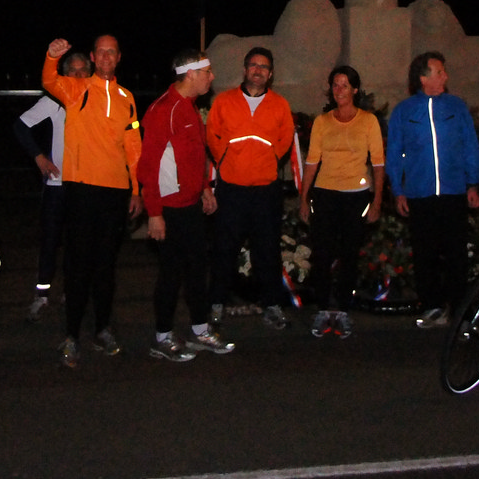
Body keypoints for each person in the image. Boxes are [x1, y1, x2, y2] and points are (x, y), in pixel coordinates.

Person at [42, 35, 142, 366]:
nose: (106, 57)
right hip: (82, 189)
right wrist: (51, 57)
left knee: (106, 264)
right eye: (101, 52)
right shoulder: (78, 88)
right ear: (93, 57)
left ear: (119, 57)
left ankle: (102, 329)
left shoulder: (127, 97)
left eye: (112, 52)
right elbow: (49, 81)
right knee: (77, 263)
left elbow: (134, 146)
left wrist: (136, 189)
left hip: (115, 191)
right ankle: (71, 334)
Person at [137, 49, 234, 362]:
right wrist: (154, 214)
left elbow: (192, 155)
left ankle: (200, 330)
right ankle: (162, 337)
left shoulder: (190, 107)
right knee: (171, 274)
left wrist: (204, 187)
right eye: (207, 72)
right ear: (191, 74)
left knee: (197, 270)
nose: (212, 77)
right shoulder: (163, 110)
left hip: (190, 205)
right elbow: (148, 167)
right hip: (169, 208)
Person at [386, 52, 479, 329]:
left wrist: (473, 183)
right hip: (420, 194)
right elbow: (394, 153)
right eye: (439, 72)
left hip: (454, 192)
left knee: (456, 255)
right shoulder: (404, 111)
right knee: (425, 254)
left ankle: (460, 312)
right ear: (423, 78)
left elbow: (470, 145)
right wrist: (398, 190)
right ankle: (432, 307)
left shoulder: (456, 106)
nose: (445, 76)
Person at [205, 46, 295, 330]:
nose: (258, 70)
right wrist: (226, 159)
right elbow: (212, 135)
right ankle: (216, 303)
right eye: (254, 65)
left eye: (264, 67)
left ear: (271, 74)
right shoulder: (224, 101)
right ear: (245, 70)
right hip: (231, 189)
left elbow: (285, 138)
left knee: (267, 251)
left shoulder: (279, 105)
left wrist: (269, 159)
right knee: (224, 249)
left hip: (265, 191)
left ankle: (272, 306)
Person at [299, 65, 384, 339]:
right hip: (325, 193)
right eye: (335, 85)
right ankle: (323, 308)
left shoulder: (368, 121)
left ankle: (344, 309)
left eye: (344, 85)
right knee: (322, 254)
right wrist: (304, 198)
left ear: (355, 90)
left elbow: (378, 164)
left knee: (349, 255)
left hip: (356, 196)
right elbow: (311, 161)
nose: (339, 90)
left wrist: (377, 201)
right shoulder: (322, 122)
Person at [13, 51, 90, 322]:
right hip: (57, 184)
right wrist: (39, 157)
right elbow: (21, 126)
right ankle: (42, 294)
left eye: (83, 71)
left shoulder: (97, 98)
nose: (78, 75)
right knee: (49, 240)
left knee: (78, 242)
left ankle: (72, 292)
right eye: (73, 71)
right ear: (65, 75)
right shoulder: (55, 100)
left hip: (85, 184)